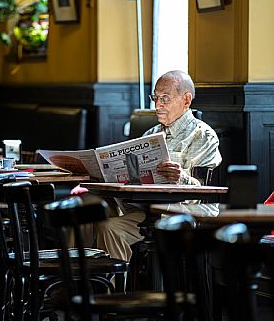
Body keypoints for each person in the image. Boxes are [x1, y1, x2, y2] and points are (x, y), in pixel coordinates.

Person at [95, 70, 222, 262]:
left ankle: (117, 290)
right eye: (155, 98)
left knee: (110, 227)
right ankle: (83, 286)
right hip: (146, 210)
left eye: (165, 98)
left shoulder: (203, 136)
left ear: (186, 101)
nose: (157, 105)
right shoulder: (150, 134)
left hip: (182, 214)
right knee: (90, 212)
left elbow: (203, 192)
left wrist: (180, 177)